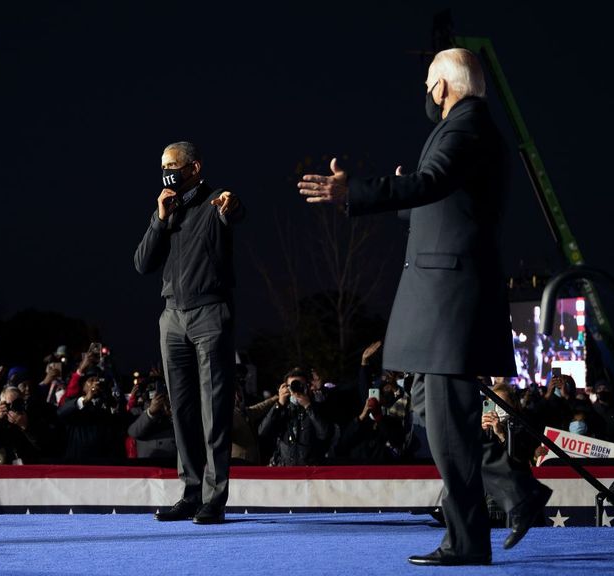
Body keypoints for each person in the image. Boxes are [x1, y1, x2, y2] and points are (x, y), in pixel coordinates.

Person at [298, 48, 550, 566]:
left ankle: (467, 539)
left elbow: (430, 182)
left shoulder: (464, 127)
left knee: (445, 420)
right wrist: (403, 197)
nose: (426, 97)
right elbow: (442, 202)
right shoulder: (467, 130)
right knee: (428, 413)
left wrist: (357, 192)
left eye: (428, 87)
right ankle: (515, 489)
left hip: (449, 299)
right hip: (442, 297)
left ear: (442, 87)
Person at [134, 141, 244, 524]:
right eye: (162, 165)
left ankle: (215, 498)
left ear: (194, 168)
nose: (166, 171)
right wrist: (160, 219)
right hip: (172, 318)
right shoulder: (169, 207)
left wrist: (231, 206)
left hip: (210, 313)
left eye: (172, 164)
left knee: (214, 408)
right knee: (181, 409)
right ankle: (191, 491)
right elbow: (142, 263)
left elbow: (235, 210)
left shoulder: (216, 200)